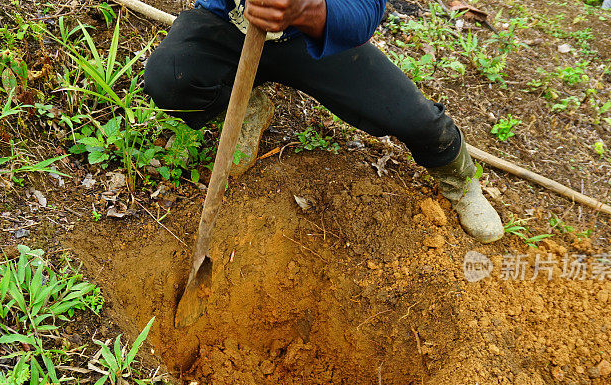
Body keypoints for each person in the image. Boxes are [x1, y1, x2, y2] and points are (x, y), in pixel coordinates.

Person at [143, 0, 504, 243]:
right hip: (227, 25)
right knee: (171, 79)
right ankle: (246, 107)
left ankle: (461, 181)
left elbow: (365, 12)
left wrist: (305, 10)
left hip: (311, 35)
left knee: (417, 120)